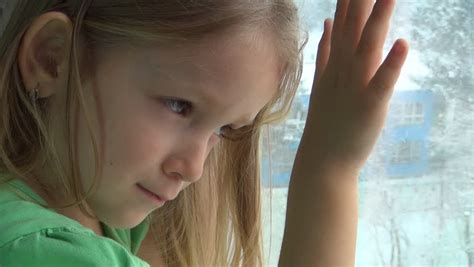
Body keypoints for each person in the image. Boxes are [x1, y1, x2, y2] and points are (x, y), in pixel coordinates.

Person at [0, 0, 408, 266]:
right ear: (52, 58)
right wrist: (330, 169)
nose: (194, 168)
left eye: (225, 129)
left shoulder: (88, 207)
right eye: (179, 106)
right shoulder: (47, 253)